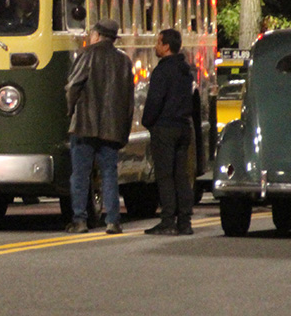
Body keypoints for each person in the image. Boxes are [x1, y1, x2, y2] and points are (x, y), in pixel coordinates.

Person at [64, 19, 134, 234]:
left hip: (85, 126)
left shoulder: (86, 55)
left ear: (96, 35)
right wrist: (123, 129)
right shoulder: (124, 62)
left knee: (80, 174)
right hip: (111, 129)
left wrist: (70, 111)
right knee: (109, 174)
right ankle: (113, 221)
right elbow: (128, 101)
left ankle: (80, 220)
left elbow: (73, 86)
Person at [142, 29, 196, 236]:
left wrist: (148, 122)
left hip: (165, 128)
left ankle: (167, 221)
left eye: (158, 42)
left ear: (166, 46)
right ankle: (185, 221)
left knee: (165, 176)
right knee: (180, 175)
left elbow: (155, 101)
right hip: (183, 127)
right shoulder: (185, 70)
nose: (155, 46)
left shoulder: (162, 71)